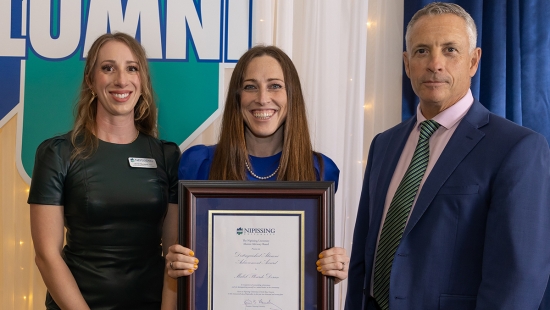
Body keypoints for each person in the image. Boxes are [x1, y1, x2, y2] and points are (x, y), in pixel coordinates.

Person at [345, 2, 550, 310]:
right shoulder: (383, 145)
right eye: (422, 51)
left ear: (473, 61)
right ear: (407, 63)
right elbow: (363, 260)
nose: (434, 64)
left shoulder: (516, 148)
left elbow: (518, 279)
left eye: (450, 50)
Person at [166, 45, 349, 283]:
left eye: (275, 85)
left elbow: (311, 268)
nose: (262, 99)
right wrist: (175, 263)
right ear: (237, 97)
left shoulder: (321, 171)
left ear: (291, 95)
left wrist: (332, 269)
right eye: (250, 87)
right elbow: (173, 271)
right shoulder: (197, 164)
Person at [28, 32, 180, 309]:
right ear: (90, 80)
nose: (121, 80)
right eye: (108, 68)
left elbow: (174, 256)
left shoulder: (166, 155)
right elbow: (46, 256)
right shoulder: (58, 153)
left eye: (131, 68)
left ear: (142, 80)